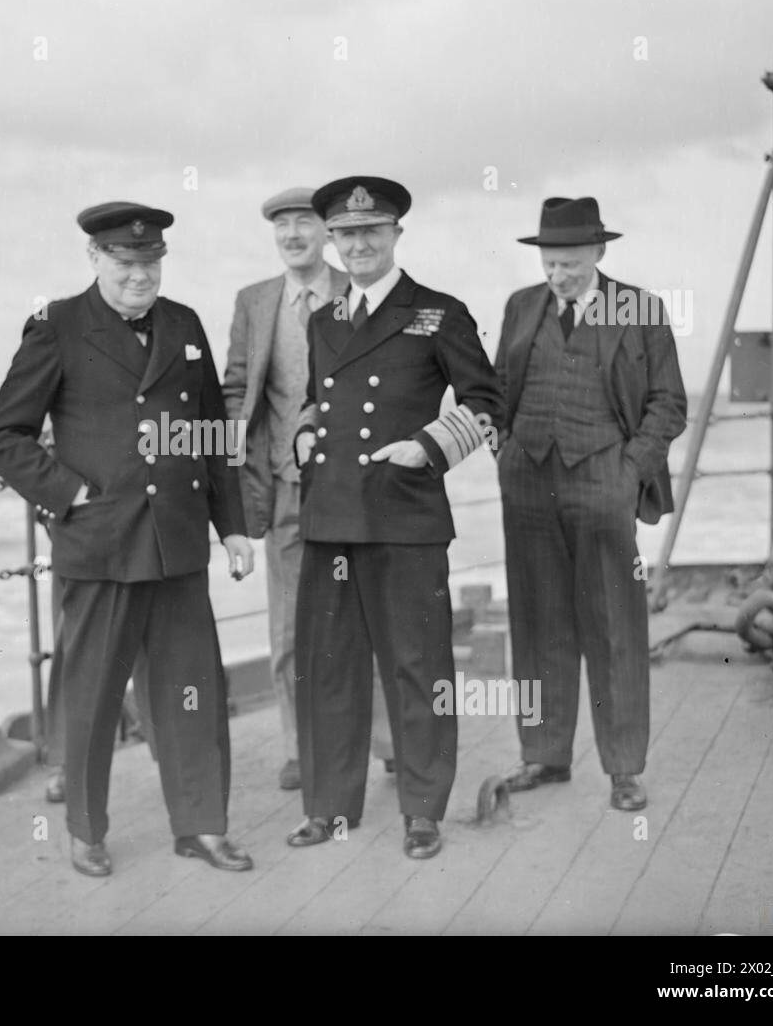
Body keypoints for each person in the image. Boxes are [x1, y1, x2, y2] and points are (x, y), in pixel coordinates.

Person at [0, 202, 256, 877]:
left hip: (177, 545)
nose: (140, 274)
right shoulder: (58, 327)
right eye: (126, 262)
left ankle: (202, 826)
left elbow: (211, 436)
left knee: (194, 692)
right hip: (99, 546)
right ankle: (85, 830)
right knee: (92, 698)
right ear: (95, 259)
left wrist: (235, 526)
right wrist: (68, 493)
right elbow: (3, 436)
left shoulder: (185, 324)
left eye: (150, 262)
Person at [289, 177, 504, 859]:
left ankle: (422, 809)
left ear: (396, 236)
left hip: (405, 517)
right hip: (331, 520)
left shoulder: (437, 313)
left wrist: (430, 446)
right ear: (332, 239)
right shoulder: (323, 321)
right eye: (345, 234)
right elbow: (317, 402)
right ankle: (328, 808)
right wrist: (302, 433)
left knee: (417, 667)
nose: (357, 244)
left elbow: (487, 402)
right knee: (329, 668)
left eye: (371, 232)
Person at [495, 197, 687, 811]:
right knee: (536, 621)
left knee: (614, 627)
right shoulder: (521, 307)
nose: (559, 276)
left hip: (604, 479)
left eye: (571, 264)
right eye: (551, 264)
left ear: (600, 253)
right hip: (527, 480)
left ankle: (624, 768)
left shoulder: (640, 309)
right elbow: (499, 390)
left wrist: (628, 472)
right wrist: (505, 451)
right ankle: (545, 755)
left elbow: (668, 404)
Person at [223, 186, 391, 791]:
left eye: (305, 224)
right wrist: (231, 490)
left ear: (328, 232)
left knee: (370, 614)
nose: (293, 235)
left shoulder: (363, 291)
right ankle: (300, 745)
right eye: (282, 226)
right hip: (283, 489)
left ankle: (387, 742)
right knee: (290, 627)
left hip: (357, 487)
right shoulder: (254, 301)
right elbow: (234, 392)